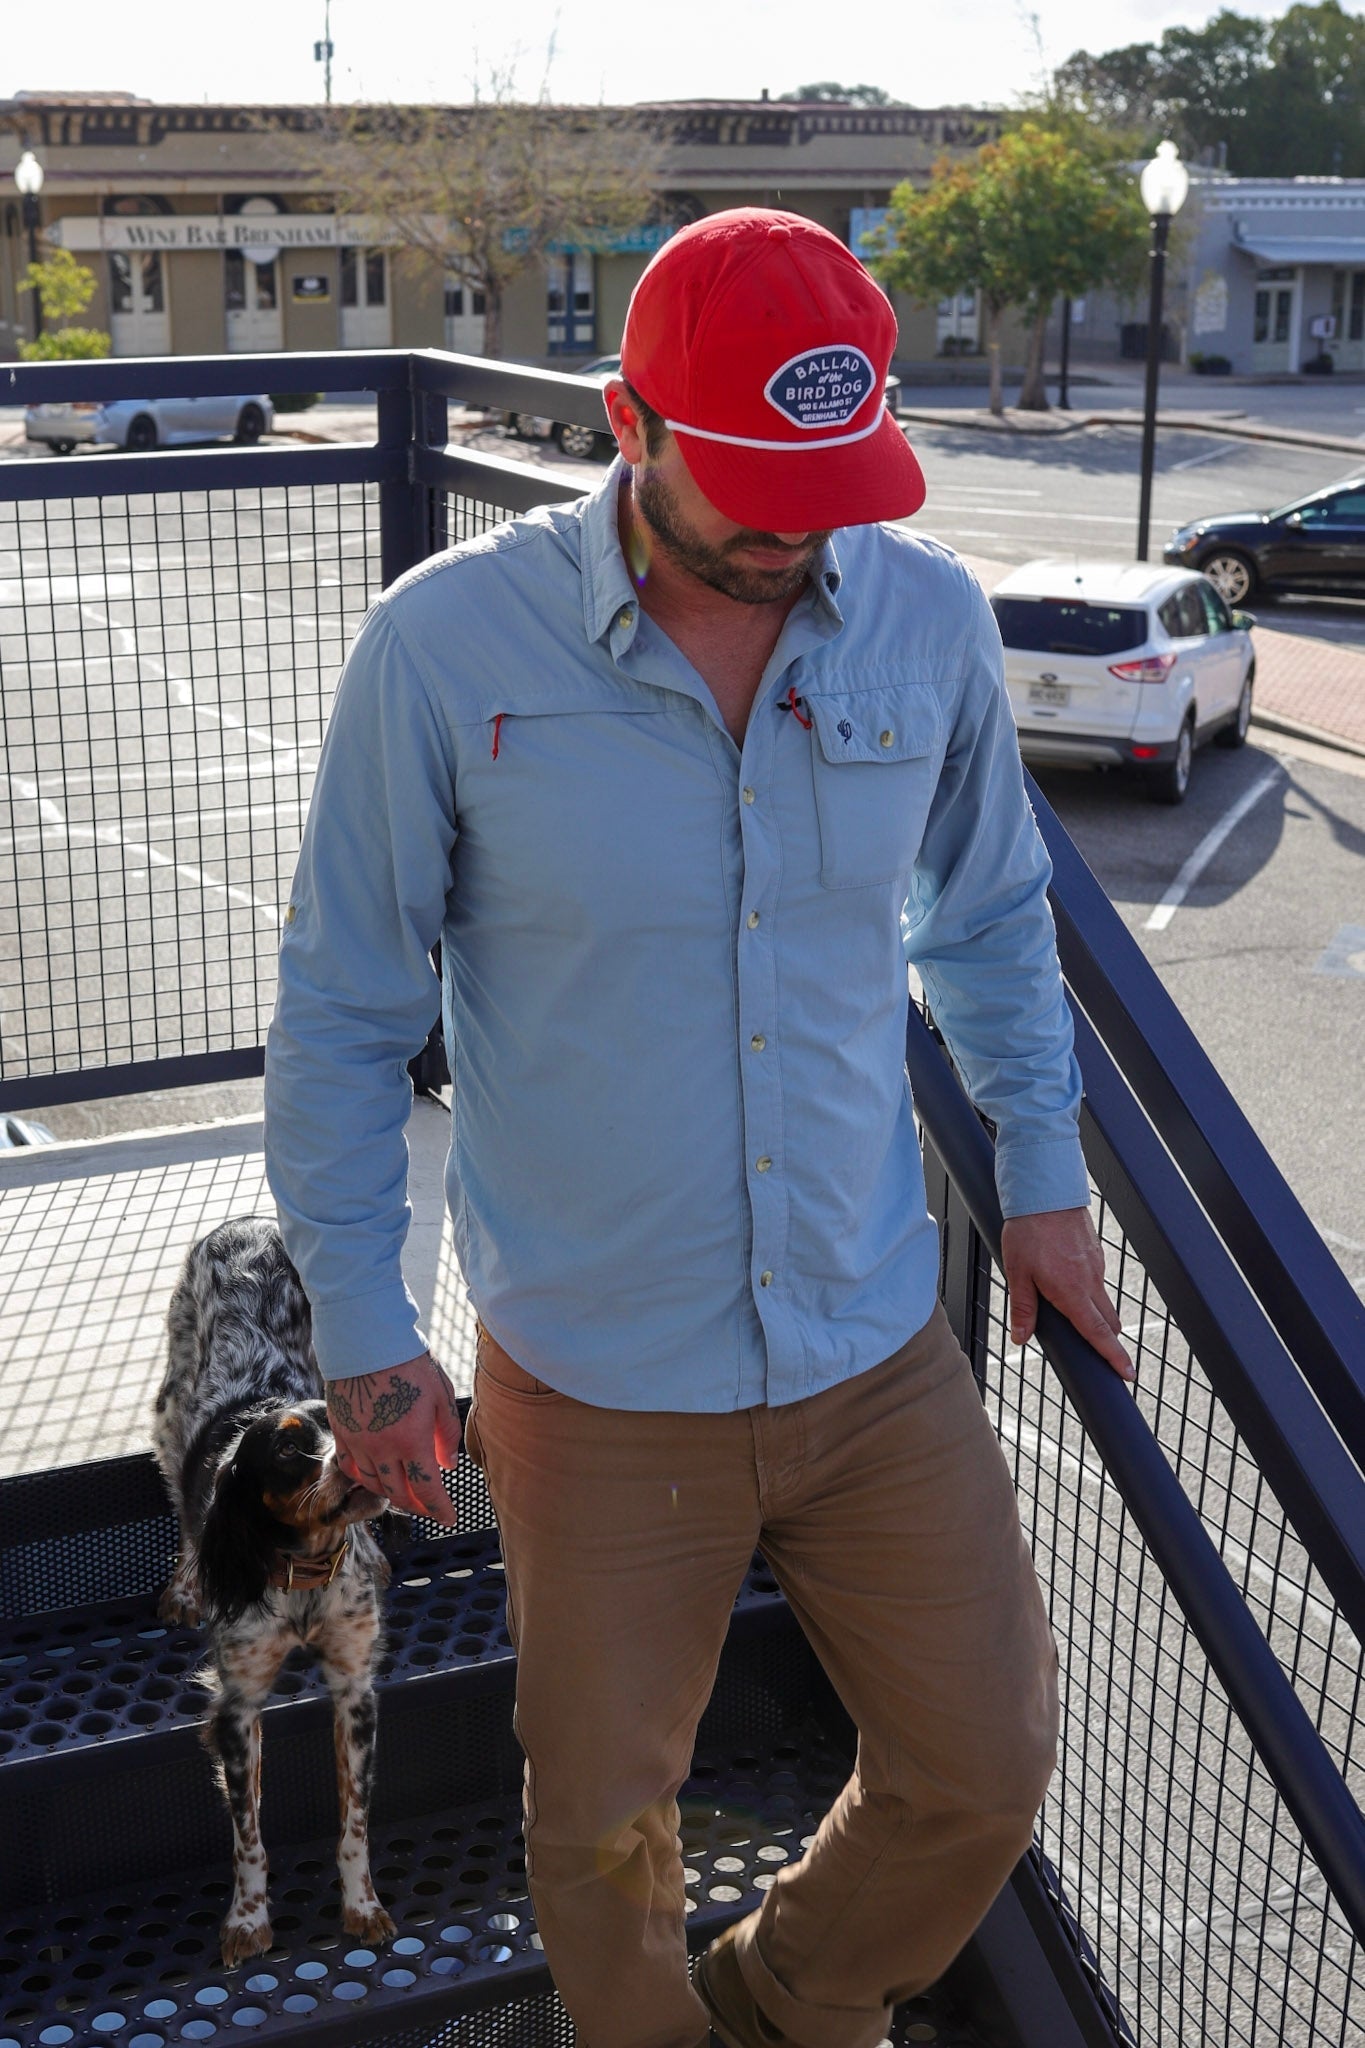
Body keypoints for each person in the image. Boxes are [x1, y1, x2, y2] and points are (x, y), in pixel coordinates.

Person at [264, 207, 1133, 2048]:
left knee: (983, 1764)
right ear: (627, 424)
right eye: (752, 485)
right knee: (601, 1827)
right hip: (594, 1373)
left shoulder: (925, 615)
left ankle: (782, 2004)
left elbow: (985, 920)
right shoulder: (445, 648)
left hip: (868, 1336)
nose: (796, 535)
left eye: (830, 487)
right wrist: (365, 1328)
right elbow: (343, 1011)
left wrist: (1042, 1182)